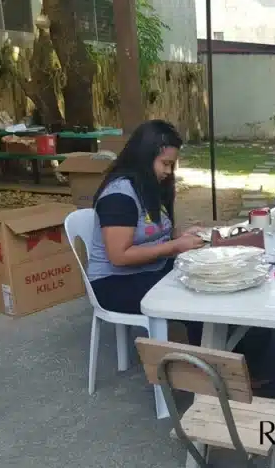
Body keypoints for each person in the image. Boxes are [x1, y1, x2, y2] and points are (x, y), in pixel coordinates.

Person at [87, 120, 205, 345]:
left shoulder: (149, 186)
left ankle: (216, 356)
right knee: (195, 296)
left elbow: (153, 232)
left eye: (172, 165)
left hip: (148, 269)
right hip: (113, 283)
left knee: (207, 278)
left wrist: (180, 236)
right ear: (144, 156)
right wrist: (174, 247)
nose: (169, 172)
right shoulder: (119, 196)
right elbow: (119, 257)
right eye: (165, 164)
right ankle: (202, 367)